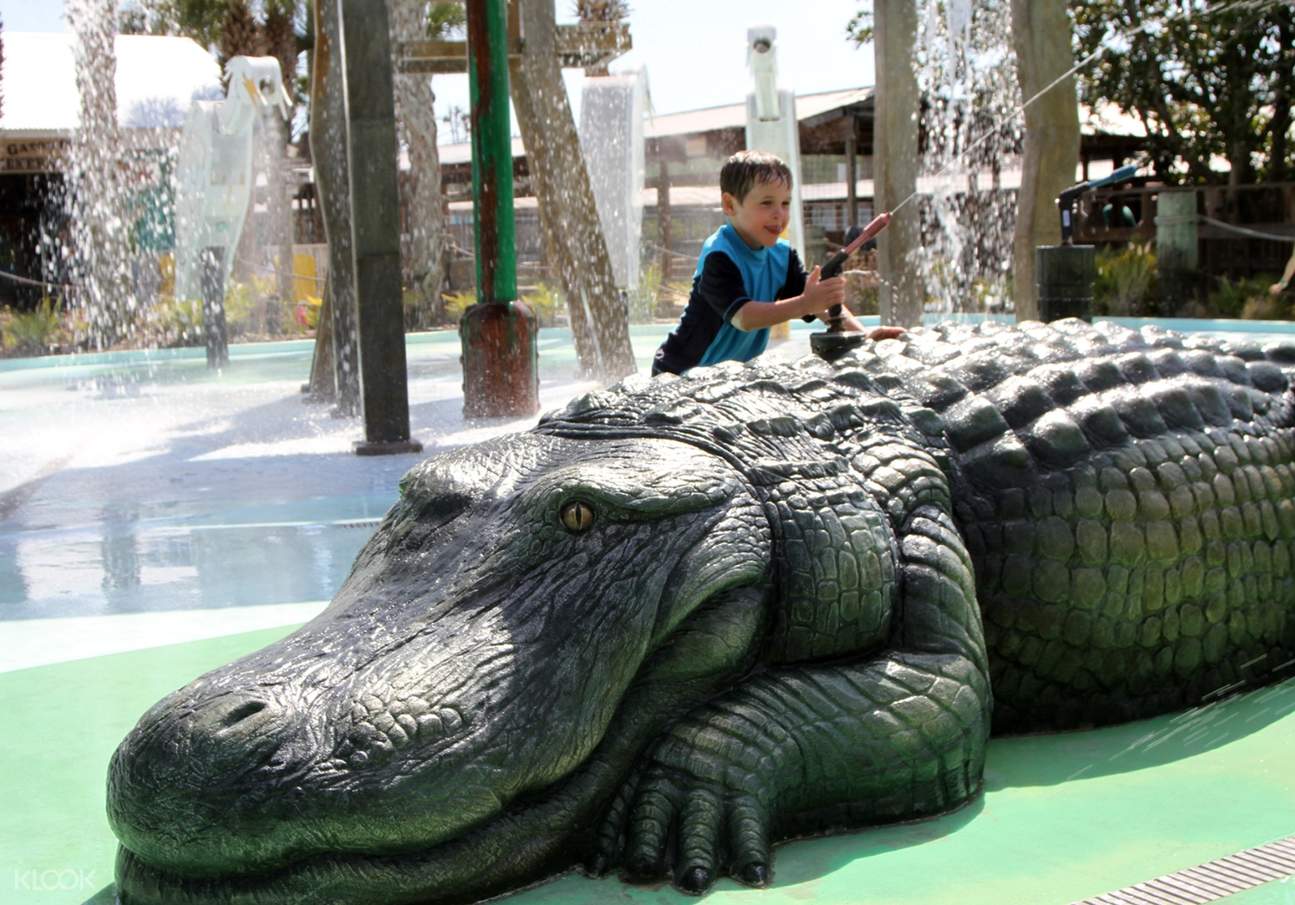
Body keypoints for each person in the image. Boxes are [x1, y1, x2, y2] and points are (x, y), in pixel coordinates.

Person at [652, 150, 900, 376]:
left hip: (726, 378)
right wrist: (805, 303)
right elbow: (744, 318)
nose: (778, 214)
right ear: (729, 205)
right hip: (678, 372)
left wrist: (863, 336)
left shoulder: (782, 256)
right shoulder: (719, 255)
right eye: (766, 203)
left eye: (785, 203)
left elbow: (820, 305)